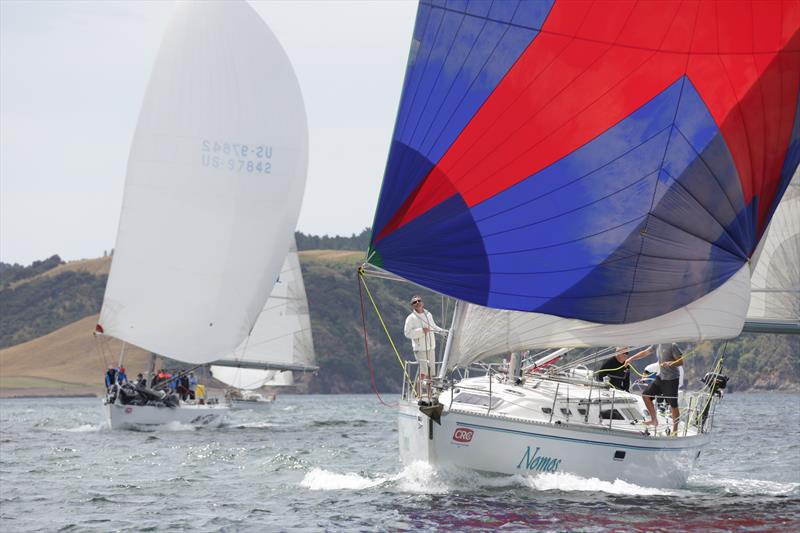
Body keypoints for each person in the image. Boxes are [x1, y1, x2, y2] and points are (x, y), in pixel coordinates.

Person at [403, 295, 447, 386]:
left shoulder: (428, 314)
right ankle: (419, 395)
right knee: (424, 372)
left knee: (431, 373)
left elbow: (433, 327)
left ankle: (430, 395)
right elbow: (407, 333)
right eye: (414, 302)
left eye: (419, 301)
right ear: (412, 306)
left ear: (422, 303)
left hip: (431, 347)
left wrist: (444, 332)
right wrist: (421, 331)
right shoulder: (410, 318)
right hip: (420, 349)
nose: (417, 303)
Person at [640, 343, 683, 434]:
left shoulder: (672, 346)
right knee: (645, 395)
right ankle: (654, 420)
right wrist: (630, 359)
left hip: (672, 379)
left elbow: (681, 362)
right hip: (661, 377)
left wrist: (670, 363)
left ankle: (675, 430)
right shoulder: (657, 344)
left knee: (673, 405)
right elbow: (645, 352)